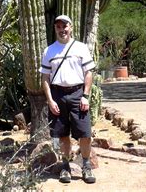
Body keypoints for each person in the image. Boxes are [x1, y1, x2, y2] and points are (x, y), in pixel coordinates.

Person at [40, 14, 96, 184]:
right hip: (57, 95)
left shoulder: (81, 48)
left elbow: (88, 73)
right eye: (58, 26)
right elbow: (45, 78)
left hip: (78, 94)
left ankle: (86, 166)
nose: (62, 29)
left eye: (65, 26)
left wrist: (86, 96)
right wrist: (50, 100)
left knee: (85, 134)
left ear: (71, 27)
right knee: (62, 134)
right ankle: (65, 167)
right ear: (55, 28)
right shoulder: (49, 51)